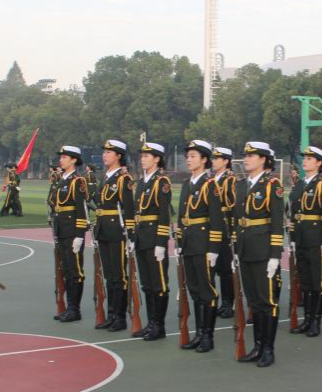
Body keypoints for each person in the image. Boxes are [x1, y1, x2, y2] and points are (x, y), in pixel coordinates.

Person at [233, 141, 284, 367]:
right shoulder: (241, 185)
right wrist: (236, 249)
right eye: (245, 155)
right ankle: (257, 346)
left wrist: (275, 255)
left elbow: (277, 222)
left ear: (263, 159)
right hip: (246, 249)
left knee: (267, 301)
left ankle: (268, 349)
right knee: (253, 301)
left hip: (264, 251)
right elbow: (237, 220)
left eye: (251, 156)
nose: (246, 159)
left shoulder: (272, 185)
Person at [176, 140, 225, 352]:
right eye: (188, 156)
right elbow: (181, 216)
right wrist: (179, 241)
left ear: (204, 160)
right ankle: (198, 333)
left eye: (193, 156)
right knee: (195, 290)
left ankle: (208, 336)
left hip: (203, 244)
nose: (189, 159)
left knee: (207, 291)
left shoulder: (210, 184)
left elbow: (217, 220)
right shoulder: (187, 184)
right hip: (189, 243)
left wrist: (213, 249)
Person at [287, 146, 322, 337]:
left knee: (317, 282)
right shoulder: (299, 184)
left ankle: (315, 321)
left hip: (316, 239)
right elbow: (292, 213)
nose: (305, 161)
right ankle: (306, 319)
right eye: (304, 158)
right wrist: (292, 238)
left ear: (319, 163)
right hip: (300, 237)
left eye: (309, 158)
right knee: (305, 281)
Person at [91, 140, 136, 332]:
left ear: (118, 156)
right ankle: (111, 315)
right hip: (103, 230)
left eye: (109, 152)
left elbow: (129, 209)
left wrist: (131, 235)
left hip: (117, 231)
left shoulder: (123, 179)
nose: (105, 155)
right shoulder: (105, 177)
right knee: (109, 276)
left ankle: (120, 317)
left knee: (119, 276)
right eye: (104, 152)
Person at [132, 142, 173, 340]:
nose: (143, 159)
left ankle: (159, 326)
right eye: (142, 156)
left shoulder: (161, 182)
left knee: (159, 284)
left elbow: (164, 214)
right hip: (142, 237)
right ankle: (151, 323)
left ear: (157, 159)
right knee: (147, 284)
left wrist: (161, 242)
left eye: (147, 156)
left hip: (154, 237)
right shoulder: (142, 182)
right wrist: (134, 236)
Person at [48, 146, 89, 322]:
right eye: (61, 157)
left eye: (65, 157)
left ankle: (74, 309)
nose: (61, 160)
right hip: (61, 230)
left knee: (75, 271)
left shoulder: (77, 181)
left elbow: (81, 209)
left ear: (74, 160)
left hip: (72, 231)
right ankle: (68, 307)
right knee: (65, 270)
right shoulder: (61, 180)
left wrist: (80, 234)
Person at [211, 147, 238, 319]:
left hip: (225, 229)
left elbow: (235, 207)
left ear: (226, 161)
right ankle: (221, 302)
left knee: (227, 269)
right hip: (213, 229)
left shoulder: (230, 180)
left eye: (217, 158)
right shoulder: (212, 180)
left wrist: (233, 231)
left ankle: (229, 303)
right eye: (213, 158)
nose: (213, 161)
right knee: (218, 269)